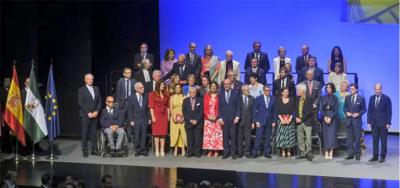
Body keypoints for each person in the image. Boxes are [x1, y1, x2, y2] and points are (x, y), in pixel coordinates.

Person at [78, 73, 102, 157]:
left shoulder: (96, 88)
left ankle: (94, 149)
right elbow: (80, 103)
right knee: (84, 133)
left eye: (91, 79)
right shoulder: (81, 90)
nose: (90, 80)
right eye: (88, 79)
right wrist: (88, 113)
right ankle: (84, 149)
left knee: (93, 133)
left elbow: (99, 101)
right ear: (85, 80)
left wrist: (97, 111)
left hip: (95, 115)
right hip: (85, 115)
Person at [367, 83, 392, 163]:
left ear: (381, 89)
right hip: (374, 123)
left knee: (383, 141)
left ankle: (382, 156)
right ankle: (375, 156)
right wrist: (369, 122)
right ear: (374, 89)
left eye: (378, 89)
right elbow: (369, 111)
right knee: (375, 140)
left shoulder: (386, 98)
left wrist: (388, 122)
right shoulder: (371, 98)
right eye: (376, 89)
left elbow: (389, 111)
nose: (377, 90)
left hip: (383, 123)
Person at [218, 79, 241, 159]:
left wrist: (237, 117)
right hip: (224, 120)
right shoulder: (220, 94)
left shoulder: (236, 93)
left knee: (233, 137)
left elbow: (238, 107)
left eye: (228, 84)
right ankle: (226, 153)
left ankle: (233, 153)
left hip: (233, 119)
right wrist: (220, 118)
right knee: (225, 137)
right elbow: (219, 108)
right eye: (225, 84)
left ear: (231, 84)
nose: (226, 85)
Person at [251, 85, 276, 158]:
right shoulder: (258, 98)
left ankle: (266, 152)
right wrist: (256, 121)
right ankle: (255, 152)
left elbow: (275, 111)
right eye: (267, 90)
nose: (268, 92)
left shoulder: (273, 99)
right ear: (263, 90)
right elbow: (254, 111)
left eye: (269, 90)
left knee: (268, 138)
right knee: (258, 138)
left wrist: (274, 121)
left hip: (269, 121)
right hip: (260, 121)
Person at [344, 83, 366, 161]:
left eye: (353, 89)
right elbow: (345, 108)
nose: (351, 90)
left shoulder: (361, 98)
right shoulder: (347, 97)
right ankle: (350, 154)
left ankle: (357, 154)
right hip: (349, 121)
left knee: (357, 139)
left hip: (357, 121)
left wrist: (358, 114)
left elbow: (364, 109)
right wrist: (346, 112)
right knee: (349, 139)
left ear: (356, 89)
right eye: (350, 89)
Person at [127, 82, 150, 156]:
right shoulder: (131, 97)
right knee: (137, 135)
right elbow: (129, 110)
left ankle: (143, 150)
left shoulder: (146, 96)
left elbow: (148, 109)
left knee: (144, 135)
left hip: (144, 118)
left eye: (143, 87)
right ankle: (137, 150)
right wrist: (131, 120)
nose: (143, 88)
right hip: (135, 119)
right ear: (136, 89)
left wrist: (149, 118)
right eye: (141, 88)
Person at [148, 81, 170, 157]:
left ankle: (162, 149)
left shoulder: (166, 94)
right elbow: (151, 107)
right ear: (158, 85)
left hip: (164, 115)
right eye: (161, 85)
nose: (163, 86)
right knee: (156, 133)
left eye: (163, 85)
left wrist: (168, 116)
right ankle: (157, 149)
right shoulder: (152, 94)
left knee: (163, 134)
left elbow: (168, 106)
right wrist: (153, 116)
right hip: (156, 114)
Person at [294, 84, 314, 161]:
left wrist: (301, 119)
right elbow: (295, 109)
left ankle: (308, 153)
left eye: (298, 90)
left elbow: (309, 111)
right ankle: (302, 153)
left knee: (308, 138)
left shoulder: (309, 98)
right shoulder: (297, 98)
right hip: (298, 121)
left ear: (302, 91)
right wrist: (296, 117)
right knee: (300, 138)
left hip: (307, 121)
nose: (297, 91)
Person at [202, 82, 223, 157]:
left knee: (216, 135)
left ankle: (216, 150)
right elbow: (204, 107)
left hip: (216, 118)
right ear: (209, 87)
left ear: (217, 88)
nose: (213, 87)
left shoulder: (219, 96)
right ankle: (210, 150)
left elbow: (220, 107)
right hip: (208, 118)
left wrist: (216, 116)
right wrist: (208, 115)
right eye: (212, 86)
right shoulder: (206, 96)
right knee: (209, 135)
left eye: (215, 86)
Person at [275, 87, 296, 158]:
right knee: (283, 137)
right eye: (285, 92)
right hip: (281, 120)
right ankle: (283, 151)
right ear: (282, 93)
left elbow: (293, 111)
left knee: (289, 137)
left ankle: (289, 151)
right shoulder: (278, 100)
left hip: (289, 120)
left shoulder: (292, 100)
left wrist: (289, 119)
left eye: (287, 92)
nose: (286, 93)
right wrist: (281, 119)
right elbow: (277, 111)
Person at [183, 87, 204, 158]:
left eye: (194, 92)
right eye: (191, 92)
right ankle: (190, 152)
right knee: (190, 138)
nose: (193, 93)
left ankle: (197, 152)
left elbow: (201, 112)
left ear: (196, 92)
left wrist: (196, 120)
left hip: (198, 123)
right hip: (189, 123)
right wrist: (190, 120)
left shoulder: (200, 100)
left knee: (198, 139)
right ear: (189, 92)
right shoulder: (185, 101)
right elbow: (184, 112)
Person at [320, 83, 339, 160]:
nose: (328, 89)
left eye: (329, 88)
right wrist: (324, 117)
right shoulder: (323, 97)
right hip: (325, 117)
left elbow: (336, 109)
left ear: (332, 89)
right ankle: (326, 151)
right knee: (325, 135)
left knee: (332, 135)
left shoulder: (335, 98)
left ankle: (331, 151)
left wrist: (331, 117)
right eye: (327, 87)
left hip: (332, 118)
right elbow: (321, 108)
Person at [236, 85, 255, 158]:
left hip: (248, 122)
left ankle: (247, 152)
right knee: (239, 138)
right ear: (243, 91)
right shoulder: (238, 99)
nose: (249, 91)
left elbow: (254, 112)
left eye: (249, 90)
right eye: (247, 90)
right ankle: (240, 152)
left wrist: (253, 122)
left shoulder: (252, 99)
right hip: (240, 122)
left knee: (248, 138)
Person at [169, 84, 187, 157]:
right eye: (176, 88)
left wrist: (184, 117)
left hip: (183, 116)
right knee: (175, 133)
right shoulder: (172, 97)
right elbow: (170, 108)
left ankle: (183, 148)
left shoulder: (184, 97)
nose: (177, 89)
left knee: (182, 133)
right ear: (174, 89)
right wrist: (173, 118)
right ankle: (176, 148)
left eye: (179, 88)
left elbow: (186, 108)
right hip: (174, 117)